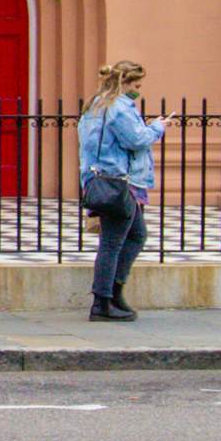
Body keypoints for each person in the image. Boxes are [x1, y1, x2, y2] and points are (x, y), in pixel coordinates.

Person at [77, 60, 163, 321]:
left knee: (136, 235)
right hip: (117, 181)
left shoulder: (96, 104)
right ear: (123, 83)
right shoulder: (118, 107)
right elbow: (136, 139)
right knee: (112, 242)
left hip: (105, 178)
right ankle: (102, 302)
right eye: (136, 85)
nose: (138, 90)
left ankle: (115, 293)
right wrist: (158, 128)